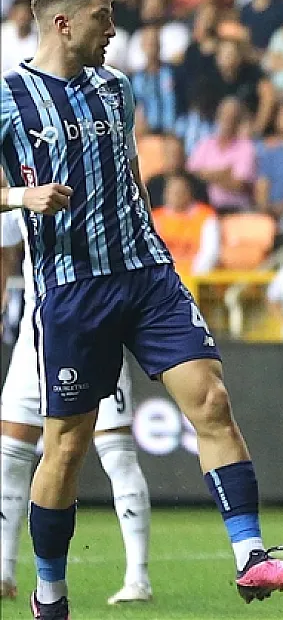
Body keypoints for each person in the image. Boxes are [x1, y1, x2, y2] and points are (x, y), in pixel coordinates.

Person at [0, 0, 283, 620]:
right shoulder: (9, 98)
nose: (113, 31)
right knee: (67, 448)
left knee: (213, 400)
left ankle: (251, 556)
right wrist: (21, 196)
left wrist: (150, 238)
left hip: (147, 276)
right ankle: (49, 594)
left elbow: (130, 173)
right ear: (63, 23)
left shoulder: (117, 88)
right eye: (102, 18)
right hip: (73, 291)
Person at [0, 212, 153, 605]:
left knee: (117, 454)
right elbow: (4, 248)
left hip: (93, 330)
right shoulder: (25, 190)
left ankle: (138, 578)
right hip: (35, 336)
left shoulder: (99, 191)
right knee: (10, 454)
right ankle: (3, 571)